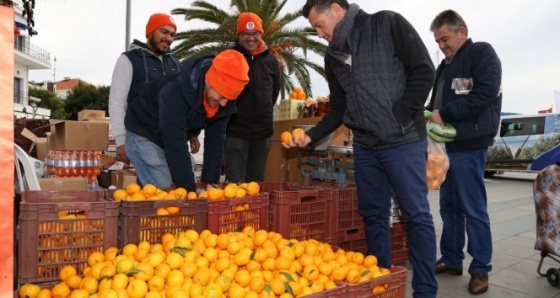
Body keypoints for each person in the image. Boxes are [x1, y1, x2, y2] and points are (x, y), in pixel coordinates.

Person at [299, 1, 438, 297]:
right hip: (365, 146)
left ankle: (425, 291)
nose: (319, 33)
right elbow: (338, 108)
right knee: (373, 215)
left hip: (402, 141)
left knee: (415, 216)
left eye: (318, 25)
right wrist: (311, 136)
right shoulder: (332, 55)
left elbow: (424, 70)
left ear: (336, 9)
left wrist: (400, 115)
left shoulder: (387, 24)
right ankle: (381, 284)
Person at [426, 9, 502, 295]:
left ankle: (481, 268)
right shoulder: (444, 66)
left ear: (462, 32)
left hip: (470, 144)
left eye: (445, 39)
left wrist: (444, 113)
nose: (441, 45)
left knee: (474, 209)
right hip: (446, 145)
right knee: (449, 207)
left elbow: (484, 94)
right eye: (438, 41)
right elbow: (437, 103)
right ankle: (452, 258)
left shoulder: (481, 53)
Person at [124, 50, 250, 191]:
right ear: (209, 81)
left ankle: (146, 188)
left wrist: (210, 182)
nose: (224, 104)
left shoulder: (222, 101)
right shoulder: (176, 91)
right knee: (168, 192)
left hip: (166, 135)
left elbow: (216, 140)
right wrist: (189, 196)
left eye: (229, 98)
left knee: (186, 171)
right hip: (143, 131)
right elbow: (175, 144)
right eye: (221, 96)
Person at [108, 13, 181, 166]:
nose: (168, 38)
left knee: (178, 183)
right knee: (161, 185)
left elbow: (182, 101)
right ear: (151, 31)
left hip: (170, 138)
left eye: (172, 34)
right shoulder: (128, 59)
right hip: (140, 136)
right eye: (164, 32)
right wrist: (120, 140)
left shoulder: (175, 64)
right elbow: (116, 101)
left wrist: (192, 133)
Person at [224, 12, 281, 183]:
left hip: (262, 133)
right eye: (246, 34)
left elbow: (274, 92)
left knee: (256, 185)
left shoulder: (271, 60)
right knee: (235, 184)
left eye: (255, 33)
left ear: (261, 34)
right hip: (236, 132)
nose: (251, 39)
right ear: (239, 35)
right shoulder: (230, 57)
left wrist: (264, 111)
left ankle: (254, 212)